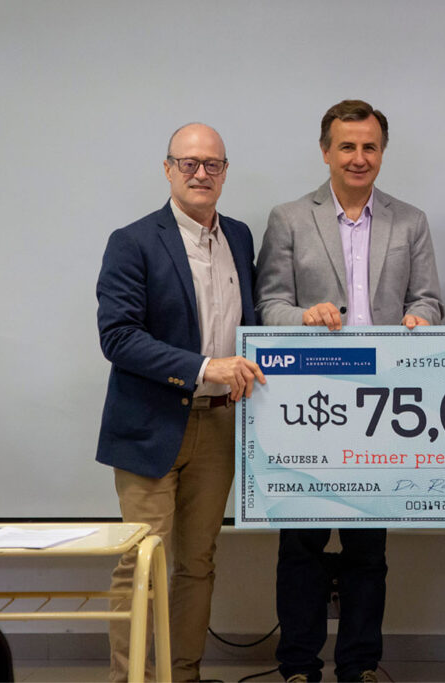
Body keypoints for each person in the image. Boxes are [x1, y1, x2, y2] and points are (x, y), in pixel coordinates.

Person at [255, 99, 444, 682]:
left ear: (382, 153)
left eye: (369, 147)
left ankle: (360, 666)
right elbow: (267, 306)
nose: (358, 158)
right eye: (347, 146)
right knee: (301, 546)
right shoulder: (289, 217)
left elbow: (429, 299)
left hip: (382, 409)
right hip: (309, 406)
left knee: (368, 550)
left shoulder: (409, 220)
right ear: (325, 151)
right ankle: (297, 667)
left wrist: (421, 320)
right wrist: (303, 318)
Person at [95, 123, 265, 682]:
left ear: (224, 172)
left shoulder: (239, 237)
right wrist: (201, 367)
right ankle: (133, 680)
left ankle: (182, 674)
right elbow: (117, 336)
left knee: (197, 565)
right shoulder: (133, 240)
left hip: (219, 426)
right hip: (149, 428)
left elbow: (254, 324)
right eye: (188, 162)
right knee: (141, 565)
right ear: (168, 169)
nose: (200, 173)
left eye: (212, 164)